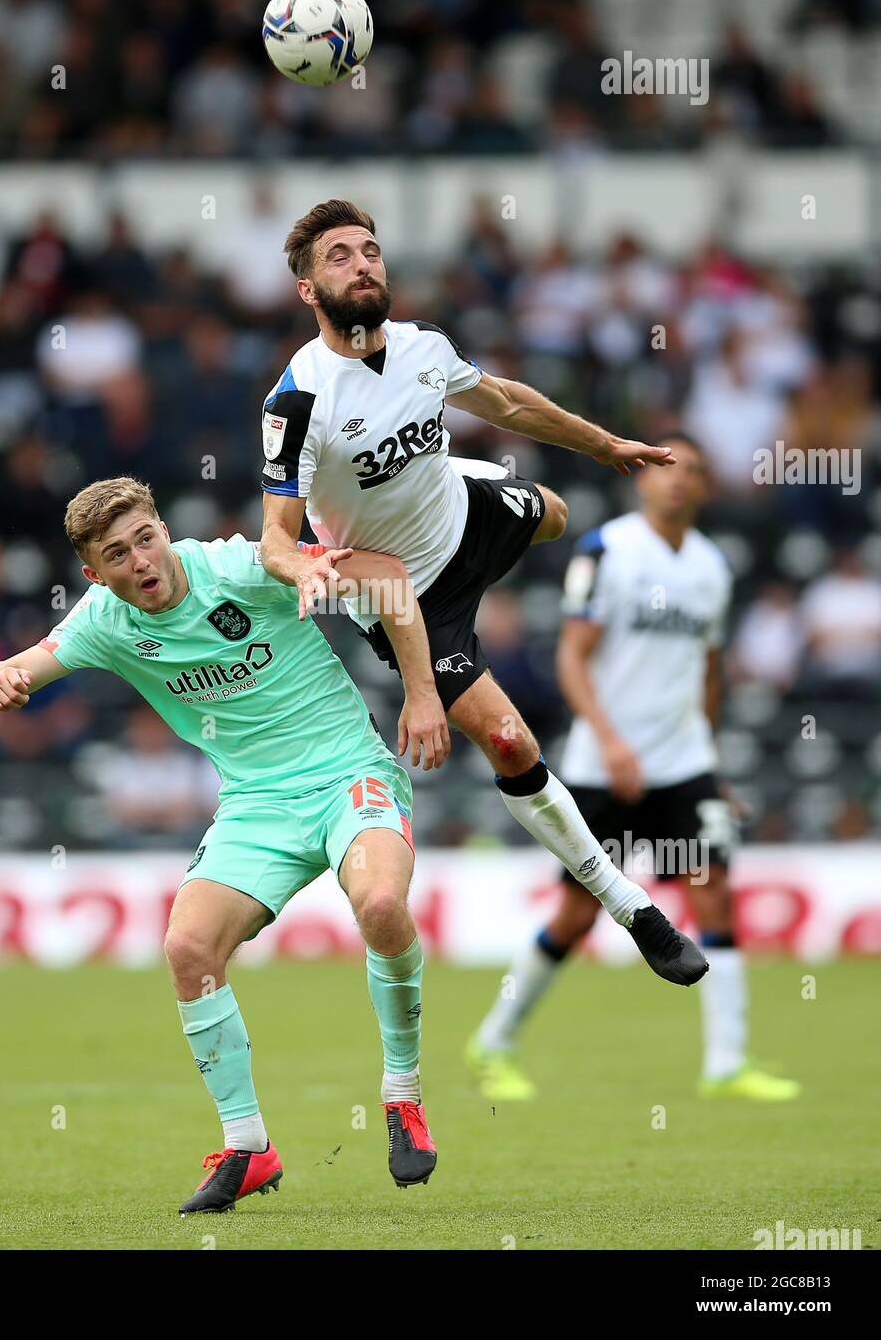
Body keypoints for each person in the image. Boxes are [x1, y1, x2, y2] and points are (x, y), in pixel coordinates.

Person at [259, 198, 707, 989]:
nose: (362, 264)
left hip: (462, 514)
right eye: (339, 256)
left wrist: (604, 445)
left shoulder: (422, 347)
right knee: (509, 744)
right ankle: (634, 907)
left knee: (558, 518)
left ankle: (490, 483)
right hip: (406, 597)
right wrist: (309, 570)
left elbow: (502, 401)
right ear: (307, 291)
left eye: (370, 250)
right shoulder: (297, 402)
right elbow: (274, 540)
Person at [0, 476, 452, 1213]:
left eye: (146, 537)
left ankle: (403, 1095)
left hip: (348, 775)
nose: (141, 559)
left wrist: (422, 694)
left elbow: (386, 577)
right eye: (118, 554)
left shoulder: (240, 566)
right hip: (256, 806)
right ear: (93, 574)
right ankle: (248, 1146)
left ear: (163, 529)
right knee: (187, 949)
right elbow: (15, 670)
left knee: (382, 902)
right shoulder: (104, 619)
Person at [467, 435, 800, 1102]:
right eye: (664, 469)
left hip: (683, 762)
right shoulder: (608, 550)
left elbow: (707, 669)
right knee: (577, 915)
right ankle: (493, 1042)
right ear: (640, 480)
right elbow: (572, 657)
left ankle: (726, 1062)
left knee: (715, 893)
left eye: (694, 472)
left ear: (706, 487)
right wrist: (611, 740)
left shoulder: (711, 566)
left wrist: (709, 754)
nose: (678, 482)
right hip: (603, 763)